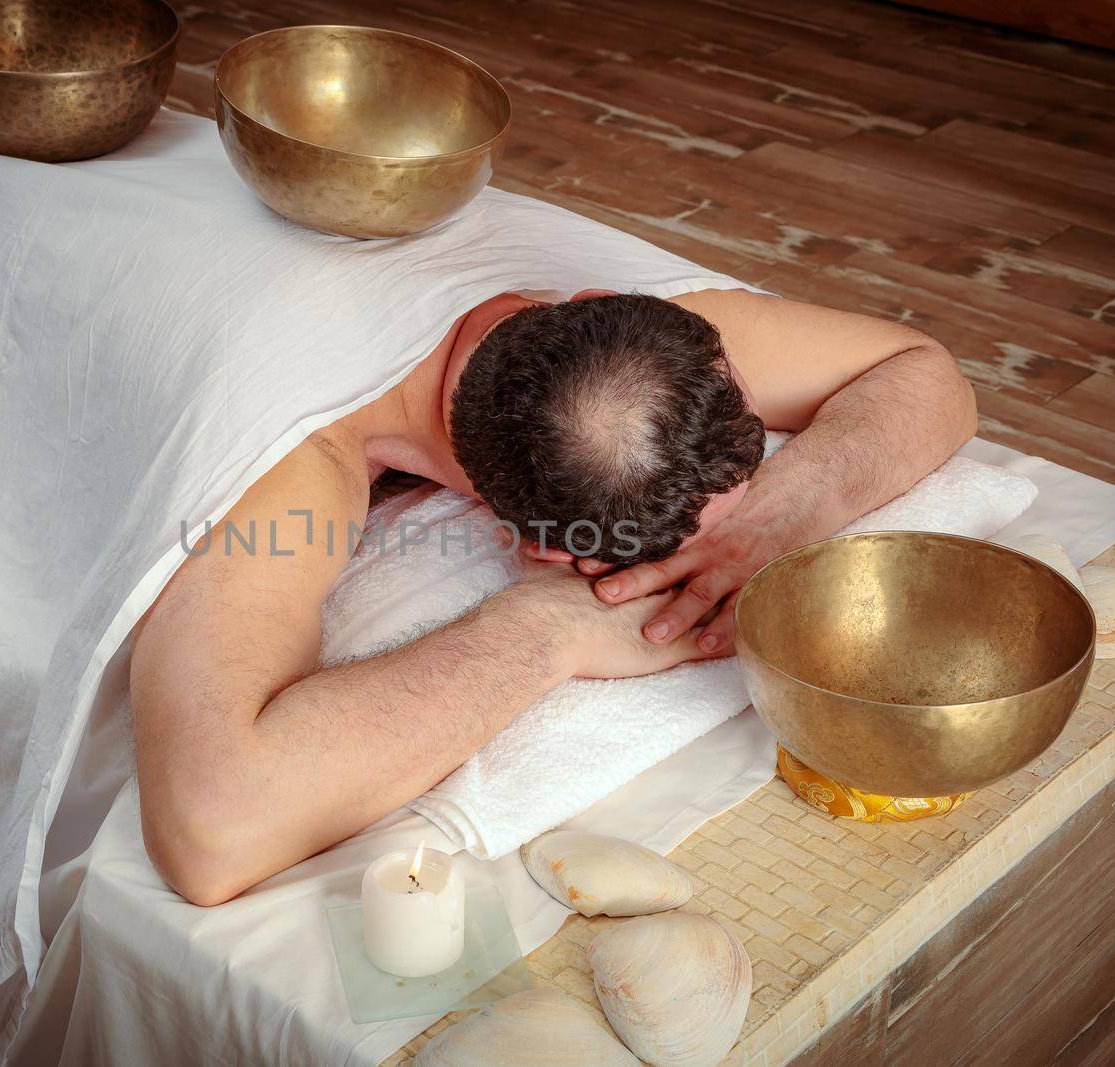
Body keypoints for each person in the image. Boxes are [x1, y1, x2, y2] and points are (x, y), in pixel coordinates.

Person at [129, 287, 977, 905]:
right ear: (543, 550)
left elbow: (926, 371)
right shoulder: (294, 469)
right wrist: (545, 629)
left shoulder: (625, 353)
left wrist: (790, 511)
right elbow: (210, 829)